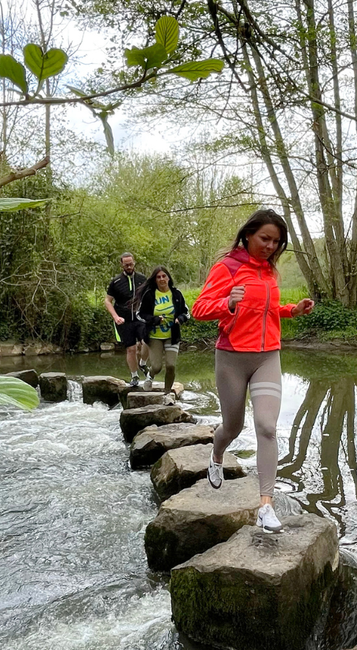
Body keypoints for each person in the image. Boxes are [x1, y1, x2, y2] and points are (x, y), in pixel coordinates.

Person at [191, 208, 315, 532]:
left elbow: (268, 310)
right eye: (265, 238)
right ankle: (217, 453)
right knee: (232, 427)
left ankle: (265, 506)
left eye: (276, 241)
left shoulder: (270, 272)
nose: (270, 246)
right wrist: (228, 304)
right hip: (231, 357)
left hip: (267, 357)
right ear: (248, 234)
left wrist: (292, 310)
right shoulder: (227, 267)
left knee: (267, 427)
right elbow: (199, 309)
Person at [136, 266, 190, 396]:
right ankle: (150, 374)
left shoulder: (176, 294)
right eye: (158, 277)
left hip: (172, 335)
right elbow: (140, 314)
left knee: (171, 365)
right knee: (157, 367)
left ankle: (167, 395)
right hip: (154, 336)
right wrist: (154, 319)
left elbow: (186, 313)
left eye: (164, 276)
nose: (161, 279)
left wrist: (180, 319)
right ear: (155, 280)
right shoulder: (149, 295)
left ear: (168, 278)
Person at [104, 252, 150, 388]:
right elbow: (107, 301)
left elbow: (150, 297)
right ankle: (134, 375)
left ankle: (142, 363)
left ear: (134, 262)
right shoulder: (116, 282)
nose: (129, 266)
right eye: (126, 265)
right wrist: (115, 316)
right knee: (131, 349)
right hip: (124, 320)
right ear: (122, 265)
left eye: (131, 264)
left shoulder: (142, 279)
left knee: (147, 342)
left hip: (140, 317)